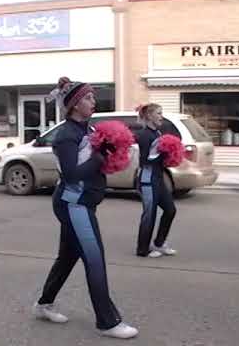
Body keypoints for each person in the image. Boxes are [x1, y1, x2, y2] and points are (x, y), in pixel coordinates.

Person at [32, 76, 138, 339]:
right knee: (95, 259)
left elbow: (94, 161)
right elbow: (71, 174)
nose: (94, 101)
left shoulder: (88, 131)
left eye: (92, 97)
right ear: (75, 104)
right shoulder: (66, 135)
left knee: (67, 257)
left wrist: (110, 152)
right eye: (88, 98)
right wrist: (100, 156)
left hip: (82, 202)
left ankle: (44, 304)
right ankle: (107, 321)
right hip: (73, 203)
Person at [135, 103, 177, 258]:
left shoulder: (157, 133)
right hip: (147, 179)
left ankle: (159, 243)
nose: (161, 116)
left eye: (161, 113)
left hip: (158, 178)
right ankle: (142, 249)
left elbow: (159, 158)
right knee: (149, 214)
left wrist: (171, 155)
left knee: (170, 210)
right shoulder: (144, 135)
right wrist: (163, 153)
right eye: (158, 113)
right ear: (149, 116)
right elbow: (147, 160)